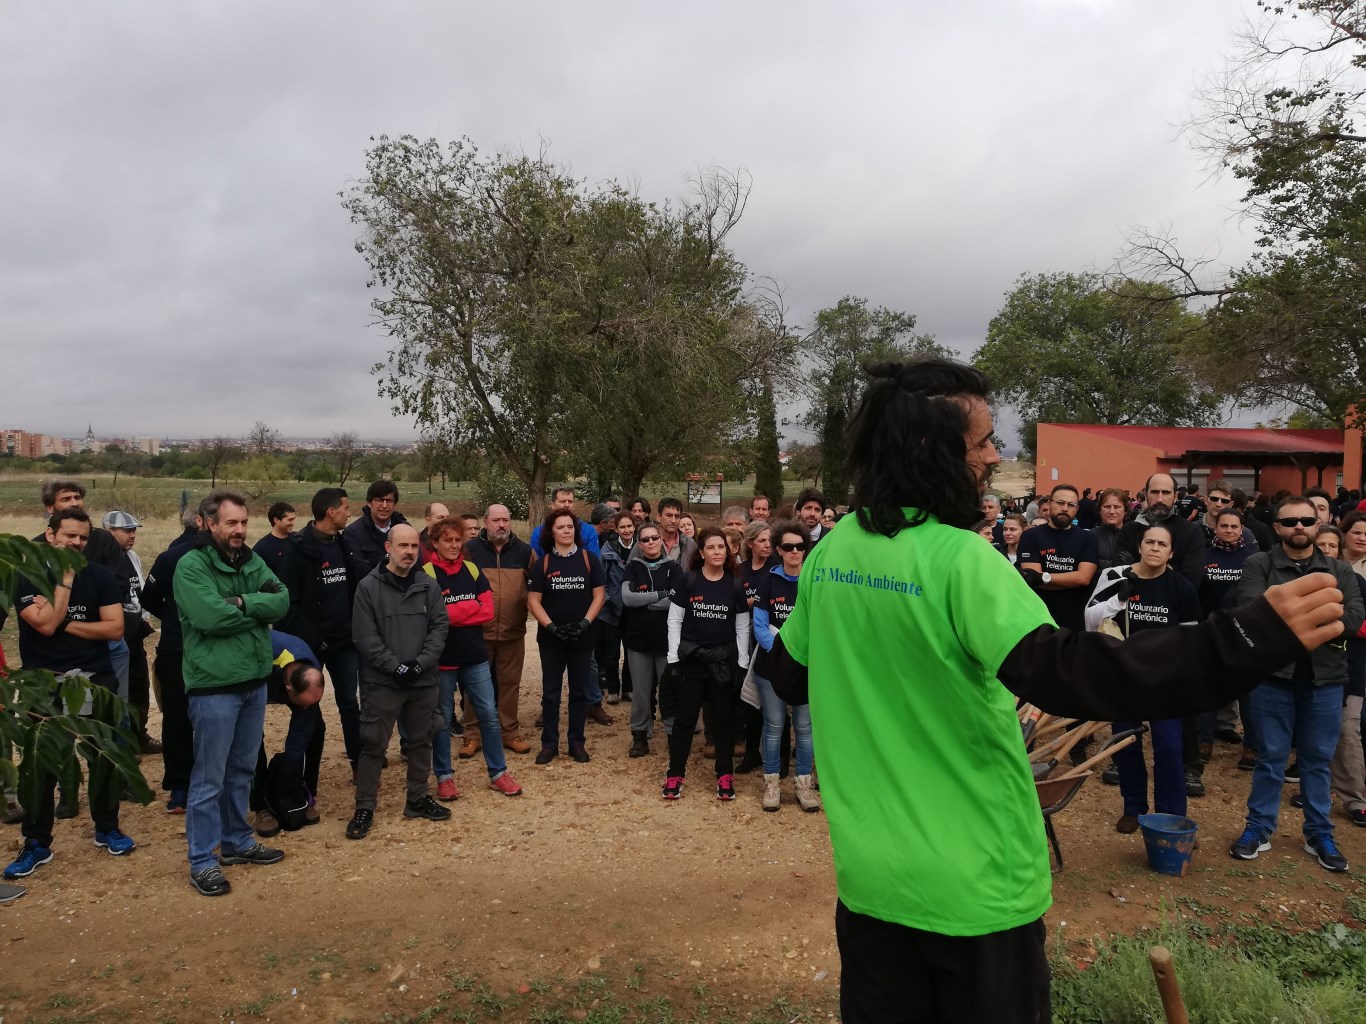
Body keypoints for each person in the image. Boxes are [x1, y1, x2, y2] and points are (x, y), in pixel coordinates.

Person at [765, 357, 1347, 1024]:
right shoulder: (961, 560)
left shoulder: (835, 549)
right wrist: (1243, 639)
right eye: (983, 440)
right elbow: (1079, 674)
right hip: (975, 888)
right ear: (933, 450)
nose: (994, 454)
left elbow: (787, 672)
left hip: (871, 883)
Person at [1230, 496, 1363, 872]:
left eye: (1307, 520)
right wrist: (1323, 616)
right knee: (1270, 759)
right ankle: (1259, 828)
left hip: (1326, 680)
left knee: (1317, 761)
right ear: (1277, 528)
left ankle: (1319, 832)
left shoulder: (1340, 569)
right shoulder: (1259, 564)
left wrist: (1287, 621)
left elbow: (1352, 618)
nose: (1300, 526)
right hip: (1274, 678)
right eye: (1291, 522)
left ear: (1317, 525)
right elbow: (1253, 614)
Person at [4, 508, 134, 881]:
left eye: (82, 537)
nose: (76, 543)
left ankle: (107, 827)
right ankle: (36, 843)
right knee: (41, 767)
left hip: (96, 680)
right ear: (50, 535)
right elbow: (42, 626)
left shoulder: (103, 577)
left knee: (103, 760)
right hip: (42, 684)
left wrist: (66, 622)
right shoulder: (28, 576)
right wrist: (64, 579)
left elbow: (114, 630)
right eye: (69, 536)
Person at [174, 490, 290, 897]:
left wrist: (240, 601)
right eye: (231, 523)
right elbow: (207, 616)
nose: (239, 530)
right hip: (213, 686)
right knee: (209, 777)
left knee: (242, 769)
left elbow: (282, 601)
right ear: (209, 523)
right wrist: (255, 611)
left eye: (243, 522)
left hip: (253, 681)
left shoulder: (252, 560)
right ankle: (203, 859)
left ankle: (237, 841)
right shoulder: (191, 565)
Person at [1084, 523, 1201, 833]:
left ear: (1171, 552)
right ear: (1140, 546)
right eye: (1150, 541)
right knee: (1126, 744)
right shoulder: (1117, 576)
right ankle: (1133, 808)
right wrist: (1118, 601)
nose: (1155, 548)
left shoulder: (1181, 587)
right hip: (1125, 677)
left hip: (1165, 681)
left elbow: (1191, 640)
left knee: (1169, 749)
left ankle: (1171, 815)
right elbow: (1089, 619)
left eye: (1162, 544)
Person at [346, 524, 450, 840]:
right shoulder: (368, 587)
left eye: (414, 547)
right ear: (388, 548)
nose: (409, 552)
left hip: (422, 680)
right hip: (383, 682)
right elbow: (365, 636)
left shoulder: (428, 585)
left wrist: (419, 665)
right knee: (374, 744)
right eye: (402, 546)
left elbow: (439, 628)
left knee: (421, 740)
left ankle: (417, 799)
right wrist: (395, 668)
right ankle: (364, 807)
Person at [420, 517, 523, 799]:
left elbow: (487, 611)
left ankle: (498, 773)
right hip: (441, 660)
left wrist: (450, 612)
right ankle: (444, 776)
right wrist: (468, 608)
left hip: (475, 656)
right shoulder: (426, 573)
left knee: (489, 716)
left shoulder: (472, 569)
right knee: (441, 721)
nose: (454, 545)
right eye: (447, 540)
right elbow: (431, 616)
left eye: (457, 540)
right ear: (435, 543)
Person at [276, 487, 364, 777]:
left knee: (350, 703)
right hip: (312, 645)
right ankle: (300, 772)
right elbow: (289, 606)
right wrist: (317, 641)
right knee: (306, 706)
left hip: (346, 643)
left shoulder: (343, 543)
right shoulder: (298, 549)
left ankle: (358, 762)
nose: (349, 512)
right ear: (331, 512)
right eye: (345, 507)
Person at [660, 527, 752, 801]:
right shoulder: (689, 581)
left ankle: (724, 775)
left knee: (724, 721)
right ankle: (675, 774)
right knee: (685, 721)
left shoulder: (735, 584)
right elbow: (674, 620)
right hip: (691, 662)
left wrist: (742, 662)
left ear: (729, 551)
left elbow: (742, 625)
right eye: (711, 547)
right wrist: (674, 658)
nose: (716, 552)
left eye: (721, 547)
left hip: (722, 664)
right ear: (701, 553)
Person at [527, 509, 606, 764]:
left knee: (579, 692)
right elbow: (533, 600)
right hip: (552, 639)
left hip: (581, 637)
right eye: (560, 527)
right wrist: (551, 627)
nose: (566, 531)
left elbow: (599, 595)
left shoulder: (589, 559)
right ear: (552, 532)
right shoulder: (544, 563)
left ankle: (576, 742)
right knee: (550, 693)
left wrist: (584, 623)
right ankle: (549, 744)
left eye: (570, 527)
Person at [751, 520, 817, 813]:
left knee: (804, 727)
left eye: (799, 546)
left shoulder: (814, 582)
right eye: (788, 546)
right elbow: (760, 627)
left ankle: (804, 783)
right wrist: (784, 653)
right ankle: (772, 782)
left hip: (806, 668)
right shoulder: (768, 582)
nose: (794, 551)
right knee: (775, 724)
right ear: (778, 549)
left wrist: (801, 655)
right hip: (772, 666)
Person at [140, 508, 202, 812]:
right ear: (204, 521)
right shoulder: (173, 557)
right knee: (177, 718)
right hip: (177, 650)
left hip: (218, 651)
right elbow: (148, 598)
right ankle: (180, 785)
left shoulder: (238, 556)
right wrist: (174, 617)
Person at [463, 504, 535, 755]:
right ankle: (472, 735)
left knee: (509, 683)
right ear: (485, 522)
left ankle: (509, 732)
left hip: (512, 631)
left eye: (505, 520)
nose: (501, 525)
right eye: (496, 520)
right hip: (477, 632)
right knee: (475, 685)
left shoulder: (525, 551)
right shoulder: (469, 551)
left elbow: (535, 589)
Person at [250, 631, 326, 835]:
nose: (305, 709)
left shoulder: (310, 670)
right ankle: (260, 805)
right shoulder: (265, 653)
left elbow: (298, 737)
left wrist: (289, 772)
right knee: (251, 737)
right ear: (288, 689)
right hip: (254, 677)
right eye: (302, 704)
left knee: (315, 730)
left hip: (285, 681)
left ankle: (304, 794)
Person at [1200, 509, 1257, 762]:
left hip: (1244, 634)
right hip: (1211, 632)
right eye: (1224, 526)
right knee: (1210, 689)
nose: (1230, 531)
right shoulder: (1204, 556)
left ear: (1242, 528)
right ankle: (1203, 742)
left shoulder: (1254, 558)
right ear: (1216, 528)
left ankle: (1252, 746)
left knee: (1248, 694)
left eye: (1235, 526)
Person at [621, 525, 683, 758]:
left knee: (669, 690)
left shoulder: (674, 568)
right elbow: (627, 598)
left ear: (661, 541)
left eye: (654, 538)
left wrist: (645, 602)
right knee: (641, 691)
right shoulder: (633, 568)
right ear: (639, 543)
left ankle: (672, 732)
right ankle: (639, 734)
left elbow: (677, 600)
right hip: (638, 640)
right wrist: (660, 595)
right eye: (645, 539)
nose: (650, 542)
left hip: (667, 640)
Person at [102, 510, 161, 755]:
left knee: (139, 682)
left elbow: (140, 591)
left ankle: (139, 734)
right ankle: (121, 743)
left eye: (134, 530)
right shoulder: (103, 559)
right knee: (118, 689)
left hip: (136, 630)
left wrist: (145, 620)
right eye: (127, 531)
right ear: (109, 532)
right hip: (116, 631)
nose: (132, 535)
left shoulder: (132, 557)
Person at [1017, 484, 1099, 635]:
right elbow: (1032, 578)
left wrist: (1044, 577)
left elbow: (1083, 578)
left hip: (1075, 623)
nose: (1065, 508)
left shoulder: (1088, 538)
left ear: (1077, 509)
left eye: (1071, 504)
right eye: (1060, 503)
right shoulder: (1031, 536)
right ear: (1049, 504)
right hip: (1039, 619)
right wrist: (1070, 580)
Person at [1117, 474, 1206, 586]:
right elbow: (1117, 576)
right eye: (1154, 492)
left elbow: (1191, 581)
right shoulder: (1129, 530)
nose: (1160, 499)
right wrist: (1172, 568)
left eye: (1166, 492)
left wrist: (1137, 566)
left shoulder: (1191, 532)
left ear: (1175, 496)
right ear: (1146, 495)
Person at [593, 505, 629, 705]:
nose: (626, 530)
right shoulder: (606, 549)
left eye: (629, 526)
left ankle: (629, 689)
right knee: (612, 653)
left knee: (631, 653)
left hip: (632, 609)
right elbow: (601, 579)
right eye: (622, 526)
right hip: (611, 609)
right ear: (615, 528)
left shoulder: (639, 548)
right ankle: (613, 689)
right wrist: (607, 599)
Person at [342, 479, 409, 576]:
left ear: (395, 504)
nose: (384, 506)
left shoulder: (405, 529)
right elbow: (358, 572)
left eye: (389, 501)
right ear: (369, 503)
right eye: (379, 500)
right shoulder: (353, 533)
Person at [529, 487, 601, 556]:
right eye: (562, 501)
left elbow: (593, 562)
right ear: (552, 505)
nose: (567, 505)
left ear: (574, 505)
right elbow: (536, 563)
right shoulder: (538, 533)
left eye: (570, 502)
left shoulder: (588, 531)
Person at [253, 502, 297, 574]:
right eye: (290, 520)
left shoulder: (299, 539)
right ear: (276, 520)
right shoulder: (261, 548)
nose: (293, 523)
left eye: (294, 519)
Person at [656, 498, 697, 565]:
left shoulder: (690, 544)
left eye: (677, 516)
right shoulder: (646, 541)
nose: (673, 521)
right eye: (669, 516)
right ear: (658, 517)